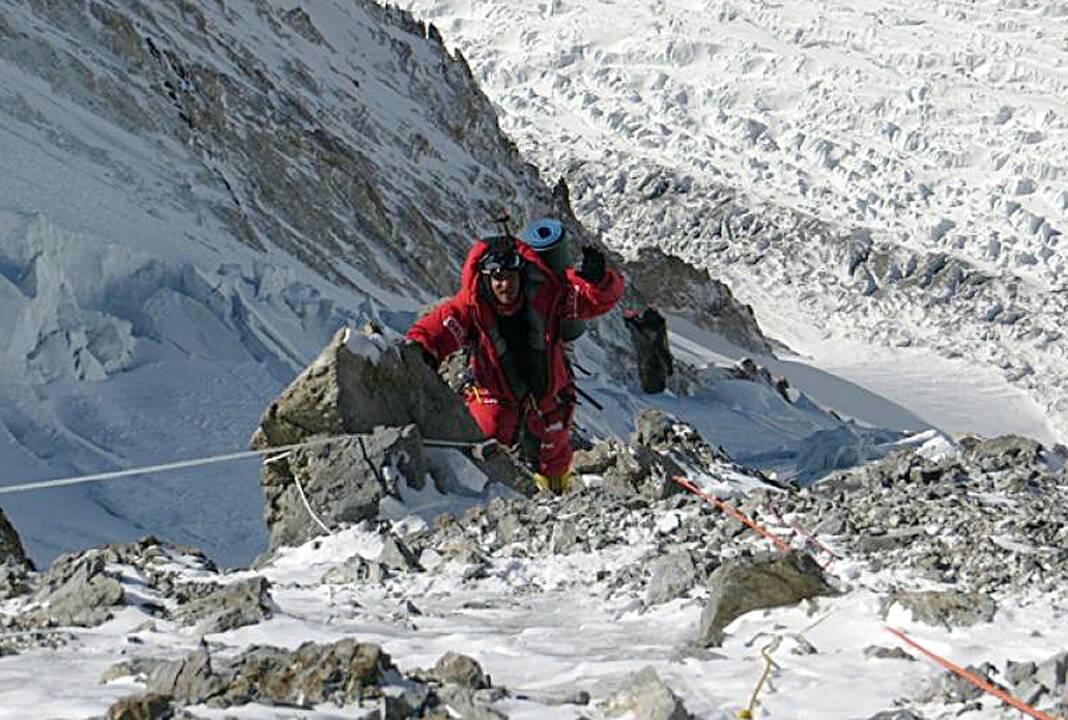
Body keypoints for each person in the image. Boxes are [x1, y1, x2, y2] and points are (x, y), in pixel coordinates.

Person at [406, 233, 624, 494]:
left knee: (554, 453)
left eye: (510, 276)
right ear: (486, 278)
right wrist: (421, 352)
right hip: (495, 395)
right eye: (498, 277)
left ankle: (556, 499)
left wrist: (597, 281)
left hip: (548, 394)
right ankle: (496, 500)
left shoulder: (549, 295)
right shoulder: (470, 307)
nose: (505, 284)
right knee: (484, 440)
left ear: (522, 275)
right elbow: (436, 330)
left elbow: (594, 300)